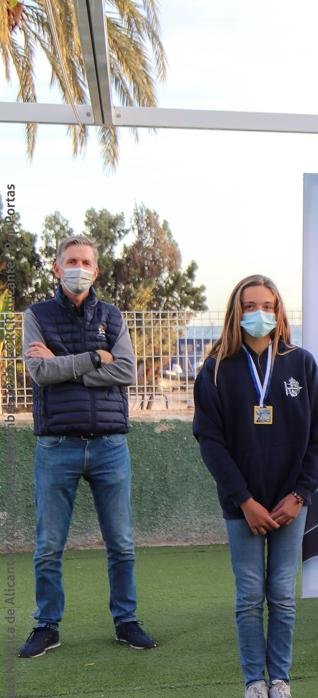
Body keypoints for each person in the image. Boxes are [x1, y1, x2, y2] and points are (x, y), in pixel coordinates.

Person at [18, 235, 156, 659]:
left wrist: (67, 366)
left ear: (96, 270)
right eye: (71, 261)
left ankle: (126, 621)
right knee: (48, 546)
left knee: (121, 544)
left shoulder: (112, 316)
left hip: (110, 445)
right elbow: (40, 372)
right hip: (56, 446)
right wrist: (96, 359)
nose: (78, 268)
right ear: (57, 268)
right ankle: (46, 625)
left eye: (86, 262)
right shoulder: (36, 315)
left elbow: (128, 370)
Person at [193, 275, 318, 698]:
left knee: (283, 595)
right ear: (237, 311)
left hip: (292, 502)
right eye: (250, 306)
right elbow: (211, 442)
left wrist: (301, 495)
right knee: (250, 596)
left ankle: (280, 679)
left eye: (267, 305)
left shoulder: (301, 363)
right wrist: (244, 500)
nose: (259, 314)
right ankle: (254, 680)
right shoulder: (215, 370)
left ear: (279, 311)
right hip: (243, 507)